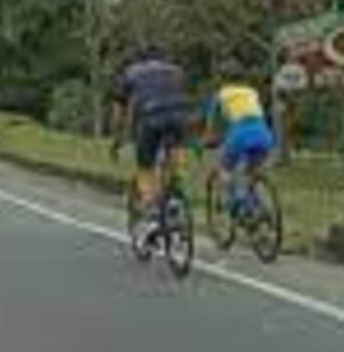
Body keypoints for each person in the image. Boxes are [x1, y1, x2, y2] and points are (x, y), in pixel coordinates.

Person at [109, 45, 191, 235]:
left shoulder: (131, 73)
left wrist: (117, 139)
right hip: (179, 117)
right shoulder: (176, 71)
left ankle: (152, 213)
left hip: (151, 117)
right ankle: (174, 194)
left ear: (141, 60)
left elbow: (119, 111)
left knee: (145, 168)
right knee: (174, 152)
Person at [204, 61, 275, 215]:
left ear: (221, 79)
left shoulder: (221, 95)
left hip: (240, 133)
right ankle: (260, 209)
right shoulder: (251, 92)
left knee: (225, 168)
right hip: (263, 133)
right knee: (250, 174)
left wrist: (208, 138)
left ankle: (238, 201)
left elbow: (212, 122)